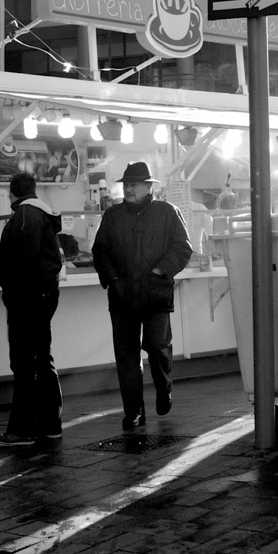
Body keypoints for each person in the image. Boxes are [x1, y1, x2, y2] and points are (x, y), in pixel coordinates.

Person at [92, 161, 193, 430]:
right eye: (126, 184)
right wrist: (113, 279)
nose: (128, 189)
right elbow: (100, 251)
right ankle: (134, 411)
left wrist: (160, 271)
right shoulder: (112, 216)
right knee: (126, 356)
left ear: (149, 187)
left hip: (155, 294)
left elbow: (182, 248)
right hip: (122, 296)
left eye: (134, 184)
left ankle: (164, 387)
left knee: (157, 346)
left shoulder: (167, 212)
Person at [0, 172, 65, 447]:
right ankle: (49, 424)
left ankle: (24, 429)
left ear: (11, 193)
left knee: (24, 362)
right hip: (41, 297)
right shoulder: (41, 213)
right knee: (41, 358)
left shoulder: (24, 216)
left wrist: (12, 293)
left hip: (27, 300)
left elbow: (23, 261)